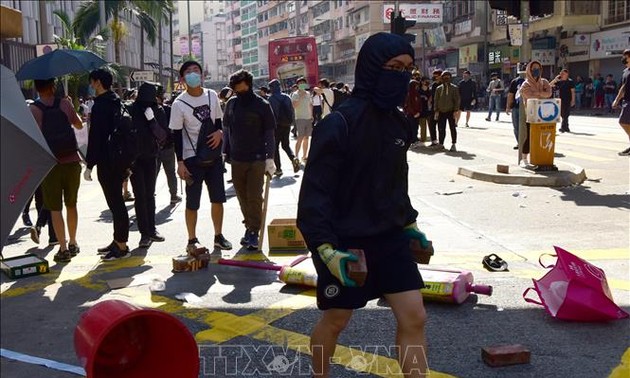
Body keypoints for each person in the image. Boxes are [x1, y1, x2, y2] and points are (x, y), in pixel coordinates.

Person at [297, 32, 428, 378]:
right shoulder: (338, 124)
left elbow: (396, 185)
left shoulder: (400, 124)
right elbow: (315, 196)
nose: (402, 76)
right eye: (394, 67)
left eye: (408, 69)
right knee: (337, 319)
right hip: (344, 243)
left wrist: (410, 224)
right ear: (371, 68)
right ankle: (319, 374)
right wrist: (325, 250)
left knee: (415, 316)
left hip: (390, 239)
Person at [169, 60, 233, 254]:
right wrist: (180, 163)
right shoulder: (178, 104)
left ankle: (218, 236)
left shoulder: (212, 96)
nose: (193, 74)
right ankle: (192, 239)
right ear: (182, 79)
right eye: (188, 72)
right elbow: (177, 136)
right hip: (191, 159)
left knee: (218, 199)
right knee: (192, 202)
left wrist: (220, 133)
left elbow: (219, 122)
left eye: (196, 70)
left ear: (202, 75)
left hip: (213, 158)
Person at [30, 78, 83, 262]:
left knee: (55, 208)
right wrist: (68, 108)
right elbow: (79, 125)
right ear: (53, 86)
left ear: (37, 88)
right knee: (72, 204)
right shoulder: (65, 103)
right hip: (72, 161)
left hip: (50, 164)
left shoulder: (33, 109)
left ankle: (62, 248)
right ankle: (74, 242)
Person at [223, 70, 276, 250]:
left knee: (254, 197)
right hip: (237, 158)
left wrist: (270, 158)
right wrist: (225, 152)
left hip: (257, 159)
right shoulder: (231, 104)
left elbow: (270, 132)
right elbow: (226, 129)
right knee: (242, 197)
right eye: (235, 88)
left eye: (240, 86)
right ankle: (249, 226)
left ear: (248, 84)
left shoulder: (262, 104)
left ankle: (254, 231)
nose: (237, 90)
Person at [84, 69, 131, 260]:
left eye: (92, 82)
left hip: (107, 160)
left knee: (116, 204)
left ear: (97, 82)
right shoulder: (116, 101)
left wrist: (89, 164)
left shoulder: (100, 105)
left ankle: (121, 246)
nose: (91, 85)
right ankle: (117, 240)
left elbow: (96, 137)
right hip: (120, 158)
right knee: (117, 202)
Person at [129, 82, 166, 248]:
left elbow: (163, 135)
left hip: (151, 157)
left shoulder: (157, 110)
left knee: (149, 195)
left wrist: (152, 121)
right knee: (140, 196)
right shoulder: (131, 109)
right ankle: (144, 233)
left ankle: (151, 229)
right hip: (135, 159)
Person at [518, 60, 552, 167]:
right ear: (529, 70)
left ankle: (539, 158)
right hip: (531, 115)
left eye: (538, 68)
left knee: (541, 137)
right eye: (533, 69)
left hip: (545, 115)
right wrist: (541, 94)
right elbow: (528, 96)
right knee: (529, 136)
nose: (536, 70)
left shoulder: (544, 82)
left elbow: (549, 94)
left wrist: (537, 93)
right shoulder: (526, 84)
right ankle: (524, 159)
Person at [268, 79, 300, 176]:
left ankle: (278, 169)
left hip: (276, 126)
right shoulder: (287, 97)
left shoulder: (271, 99)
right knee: (285, 145)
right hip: (286, 124)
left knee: (275, 147)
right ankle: (293, 158)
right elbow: (291, 111)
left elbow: (271, 114)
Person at [155, 86, 181, 205]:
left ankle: (149, 194)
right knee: (170, 172)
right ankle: (174, 196)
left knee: (152, 173)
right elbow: (175, 128)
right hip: (168, 146)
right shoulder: (168, 110)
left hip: (153, 148)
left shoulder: (146, 110)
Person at [434, 71, 461, 152]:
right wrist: (436, 110)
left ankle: (453, 144)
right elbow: (436, 100)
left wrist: (456, 110)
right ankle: (441, 144)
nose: (446, 78)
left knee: (452, 128)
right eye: (444, 77)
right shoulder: (439, 89)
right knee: (441, 128)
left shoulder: (454, 88)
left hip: (451, 111)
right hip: (441, 111)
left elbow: (457, 100)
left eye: (448, 77)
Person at [612, 49, 630, 156]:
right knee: (625, 122)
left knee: (623, 121)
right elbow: (623, 88)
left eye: (625, 56)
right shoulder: (625, 72)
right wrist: (616, 99)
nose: (623, 58)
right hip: (626, 100)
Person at [291, 77, 313, 162]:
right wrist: (300, 96)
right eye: (300, 84)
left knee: (307, 138)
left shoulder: (308, 93)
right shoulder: (295, 94)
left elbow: (310, 104)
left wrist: (311, 115)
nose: (302, 85)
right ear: (297, 85)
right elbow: (294, 106)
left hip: (308, 118)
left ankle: (304, 156)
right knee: (300, 137)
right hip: (300, 118)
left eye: (303, 83)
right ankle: (296, 156)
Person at [506, 64, 527, 149]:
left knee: (526, 126)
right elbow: (510, 94)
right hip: (516, 107)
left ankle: (526, 143)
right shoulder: (515, 81)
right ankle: (519, 143)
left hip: (527, 107)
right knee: (516, 126)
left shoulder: (531, 81)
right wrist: (508, 106)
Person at [550, 69, 575, 133]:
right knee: (562, 113)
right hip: (560, 100)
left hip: (568, 99)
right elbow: (550, 85)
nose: (561, 75)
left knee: (566, 114)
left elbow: (573, 91)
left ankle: (564, 127)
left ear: (567, 74)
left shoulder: (570, 81)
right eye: (561, 73)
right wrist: (555, 79)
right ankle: (565, 127)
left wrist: (573, 100)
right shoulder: (559, 81)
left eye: (563, 74)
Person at [403, 79, 422, 145]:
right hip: (411, 114)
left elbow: (420, 104)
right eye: (415, 85)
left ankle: (415, 138)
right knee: (412, 127)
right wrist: (414, 113)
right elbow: (409, 106)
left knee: (416, 127)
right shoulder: (408, 94)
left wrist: (419, 112)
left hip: (417, 114)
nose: (417, 87)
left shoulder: (417, 94)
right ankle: (412, 140)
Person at [428, 69, 442, 147]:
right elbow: (432, 96)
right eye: (434, 76)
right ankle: (434, 141)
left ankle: (441, 142)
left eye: (436, 76)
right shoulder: (433, 85)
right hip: (433, 108)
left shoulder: (443, 85)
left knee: (440, 126)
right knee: (432, 124)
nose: (435, 77)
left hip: (441, 108)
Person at [418, 77, 432, 143]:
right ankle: (423, 140)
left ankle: (433, 139)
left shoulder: (430, 90)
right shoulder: (418, 90)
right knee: (423, 127)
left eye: (428, 81)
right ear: (422, 82)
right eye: (426, 81)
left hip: (429, 111)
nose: (427, 82)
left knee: (431, 126)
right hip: (421, 111)